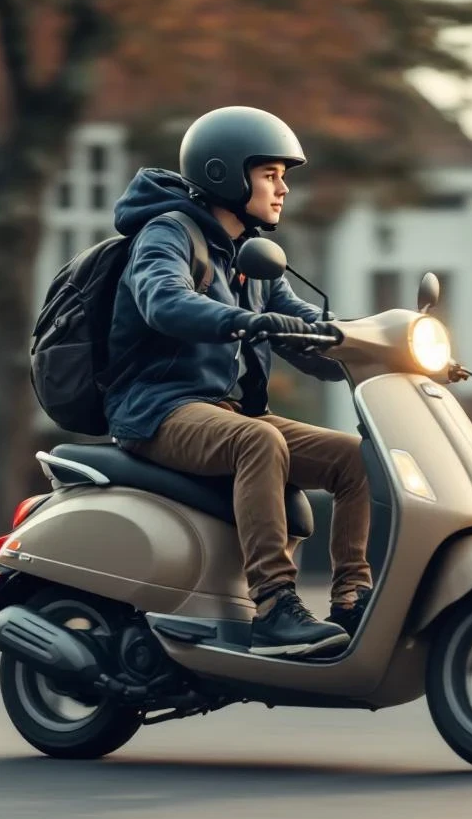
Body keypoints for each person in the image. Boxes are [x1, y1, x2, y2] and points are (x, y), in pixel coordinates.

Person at [103, 106, 372, 658]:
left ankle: (352, 601)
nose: (282, 190)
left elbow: (306, 330)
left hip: (227, 413)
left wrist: (370, 348)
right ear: (226, 173)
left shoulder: (248, 258)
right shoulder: (167, 234)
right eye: (270, 175)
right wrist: (238, 319)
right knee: (260, 440)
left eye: (284, 178)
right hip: (160, 410)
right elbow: (163, 299)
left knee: (359, 458)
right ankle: (274, 607)